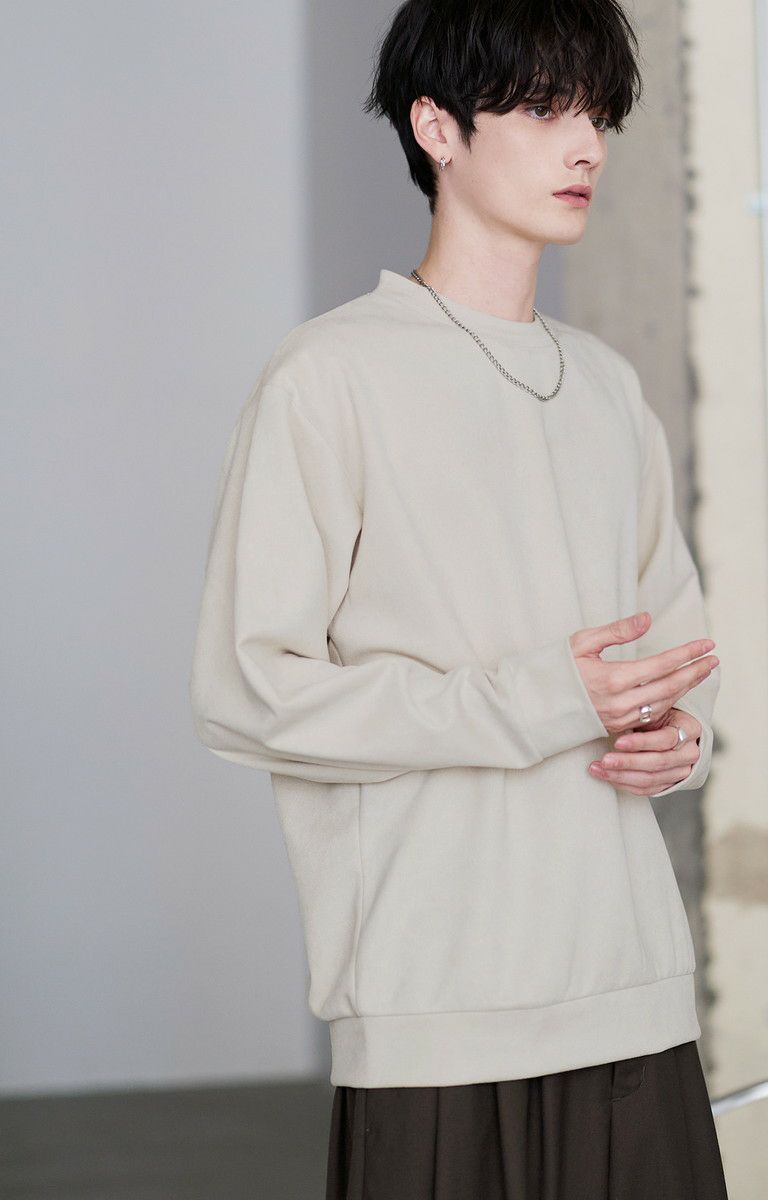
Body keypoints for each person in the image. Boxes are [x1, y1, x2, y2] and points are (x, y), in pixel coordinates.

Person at [189, 0, 729, 1195]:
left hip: (630, 987)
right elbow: (246, 691)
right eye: (544, 109)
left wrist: (679, 738)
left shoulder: (608, 389)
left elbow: (679, 646)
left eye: (597, 113)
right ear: (436, 127)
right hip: (437, 1001)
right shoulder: (329, 376)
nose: (585, 145)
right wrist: (538, 698)